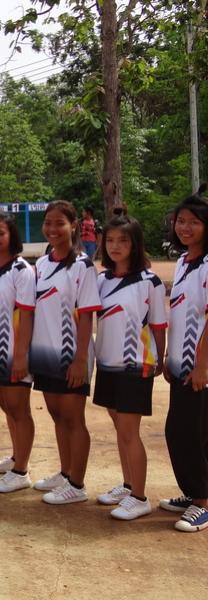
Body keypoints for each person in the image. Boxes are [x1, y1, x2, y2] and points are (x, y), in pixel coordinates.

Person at [93, 211, 166, 520]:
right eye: (110, 240)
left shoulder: (150, 281)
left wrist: (160, 358)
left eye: (123, 240)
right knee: (118, 426)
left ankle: (140, 497)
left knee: (129, 430)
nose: (115, 246)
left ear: (135, 244)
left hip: (136, 363)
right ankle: (128, 485)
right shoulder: (101, 280)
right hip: (107, 363)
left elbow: (159, 325)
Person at [30, 200, 101, 505]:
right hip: (45, 352)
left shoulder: (82, 265)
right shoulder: (41, 264)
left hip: (72, 354)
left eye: (60, 223)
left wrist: (80, 359)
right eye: (48, 223)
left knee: (74, 418)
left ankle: (77, 484)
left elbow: (86, 316)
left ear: (74, 226)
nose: (52, 229)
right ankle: (65, 472)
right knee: (57, 415)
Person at [160, 187, 208, 532]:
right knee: (181, 430)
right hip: (180, 364)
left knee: (190, 432)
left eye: (194, 222)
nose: (185, 227)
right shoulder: (182, 262)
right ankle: (195, 491)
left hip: (199, 367)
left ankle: (203, 501)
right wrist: (169, 355)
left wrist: (202, 365)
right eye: (181, 221)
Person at [0, 212, 37, 494]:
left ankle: (21, 471)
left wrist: (21, 355)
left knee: (19, 409)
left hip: (13, 351)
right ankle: (16, 457)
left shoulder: (21, 270)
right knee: (7, 408)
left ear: (12, 235)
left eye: (0, 233)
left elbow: (26, 315)